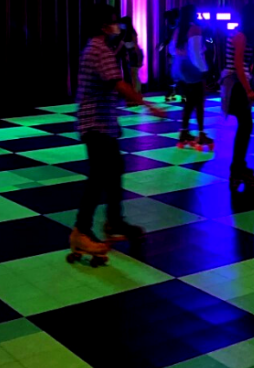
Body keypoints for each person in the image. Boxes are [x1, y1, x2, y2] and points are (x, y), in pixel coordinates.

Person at [71, 4, 165, 259]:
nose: (118, 26)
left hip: (102, 121)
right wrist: (147, 104)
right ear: (103, 26)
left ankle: (113, 221)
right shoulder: (99, 49)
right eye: (114, 22)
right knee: (99, 175)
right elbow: (117, 82)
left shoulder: (101, 48)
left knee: (113, 169)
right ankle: (81, 230)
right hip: (95, 122)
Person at [221, 4, 254, 190]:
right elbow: (238, 65)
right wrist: (248, 90)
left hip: (239, 82)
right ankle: (237, 167)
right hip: (236, 84)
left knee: (245, 126)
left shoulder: (242, 35)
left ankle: (238, 166)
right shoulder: (240, 36)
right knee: (246, 125)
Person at [170, 5, 211, 150]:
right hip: (191, 68)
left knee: (189, 102)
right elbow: (195, 53)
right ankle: (201, 134)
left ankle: (184, 132)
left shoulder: (178, 29)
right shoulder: (194, 29)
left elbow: (171, 50)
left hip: (179, 68)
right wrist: (204, 70)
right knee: (199, 102)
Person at [116, 17, 145, 94]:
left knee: (134, 75)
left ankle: (136, 92)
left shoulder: (131, 33)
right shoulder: (126, 33)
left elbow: (135, 46)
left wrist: (139, 57)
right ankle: (135, 92)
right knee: (133, 75)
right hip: (131, 54)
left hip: (133, 54)